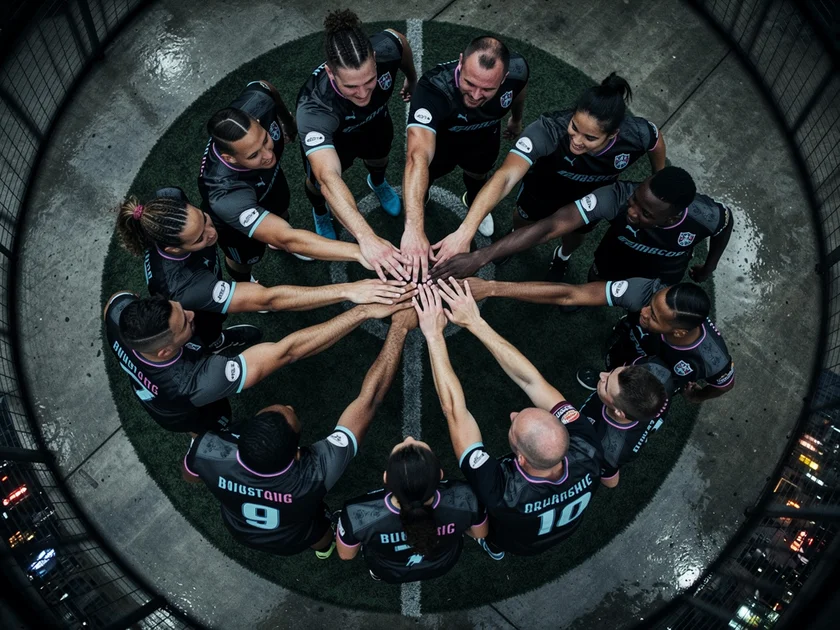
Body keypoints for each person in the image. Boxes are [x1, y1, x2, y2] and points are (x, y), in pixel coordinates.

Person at [183, 308, 415, 558]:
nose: (291, 406)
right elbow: (369, 400)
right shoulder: (316, 474)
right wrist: (399, 328)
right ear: (295, 455)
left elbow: (190, 476)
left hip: (240, 528)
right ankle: (325, 549)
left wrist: (228, 485)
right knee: (319, 531)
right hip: (295, 536)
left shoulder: (208, 451)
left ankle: (323, 548)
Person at [414, 281, 603, 558]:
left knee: (483, 521)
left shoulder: (501, 491)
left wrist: (433, 336)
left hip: (518, 543)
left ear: (521, 460)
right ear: (565, 431)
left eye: (513, 426)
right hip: (563, 526)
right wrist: (475, 322)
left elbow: (454, 410)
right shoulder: (588, 447)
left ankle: (492, 547)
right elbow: (532, 382)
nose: (512, 414)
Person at [431, 73, 666, 277]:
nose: (576, 141)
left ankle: (562, 256)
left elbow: (656, 140)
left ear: (613, 135)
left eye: (590, 138)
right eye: (575, 127)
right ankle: (512, 241)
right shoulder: (548, 130)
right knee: (522, 220)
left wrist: (658, 179)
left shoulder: (636, 135)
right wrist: (465, 231)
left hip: (590, 199)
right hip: (543, 189)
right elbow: (505, 177)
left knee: (575, 235)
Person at [116, 186, 408, 347]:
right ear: (173, 249)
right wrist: (350, 290)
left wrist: (359, 252)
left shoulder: (170, 200)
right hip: (196, 311)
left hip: (204, 275)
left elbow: (286, 239)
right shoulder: (186, 288)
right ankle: (217, 343)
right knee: (206, 331)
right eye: (199, 238)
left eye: (204, 220)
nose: (211, 233)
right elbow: (269, 299)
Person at [103, 291, 410, 433]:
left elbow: (115, 300)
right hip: (181, 411)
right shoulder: (199, 382)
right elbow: (287, 351)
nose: (192, 314)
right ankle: (199, 454)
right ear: (164, 352)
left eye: (181, 308)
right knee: (208, 428)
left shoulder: (120, 311)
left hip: (157, 383)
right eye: (184, 322)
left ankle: (217, 342)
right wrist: (362, 311)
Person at [430, 167, 733, 287]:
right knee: (595, 281)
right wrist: (481, 256)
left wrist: (710, 266)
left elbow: (724, 228)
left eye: (645, 213)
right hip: (614, 258)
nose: (631, 211)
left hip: (664, 274)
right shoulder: (616, 197)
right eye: (635, 199)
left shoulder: (708, 216)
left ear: (671, 218)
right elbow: (550, 227)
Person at [199, 80, 375, 283]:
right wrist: (361, 251)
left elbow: (263, 86)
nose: (269, 155)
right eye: (254, 154)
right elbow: (286, 238)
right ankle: (244, 283)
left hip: (270, 181)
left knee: (281, 208)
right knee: (245, 257)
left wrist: (287, 120)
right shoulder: (222, 193)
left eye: (265, 139)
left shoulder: (258, 100)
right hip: (233, 220)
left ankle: (276, 243)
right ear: (230, 158)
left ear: (257, 121)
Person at [465, 276, 735, 402]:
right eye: (650, 304)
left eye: (653, 315)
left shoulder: (713, 360)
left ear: (678, 332)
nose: (643, 311)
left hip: (645, 384)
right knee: (615, 359)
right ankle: (608, 374)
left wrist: (698, 396)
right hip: (628, 346)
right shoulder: (653, 291)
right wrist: (492, 287)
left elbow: (724, 385)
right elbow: (571, 294)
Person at [296, 10, 417, 282]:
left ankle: (378, 182)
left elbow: (400, 41)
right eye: (351, 86)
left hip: (375, 123)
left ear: (374, 57)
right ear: (330, 72)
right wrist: (366, 236)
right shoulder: (314, 108)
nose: (363, 94)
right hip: (337, 141)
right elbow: (328, 177)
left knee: (380, 158)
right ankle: (320, 212)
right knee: (315, 183)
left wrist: (412, 78)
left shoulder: (387, 49)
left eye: (370, 81)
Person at [400, 36, 529, 282]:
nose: (476, 95)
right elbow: (417, 156)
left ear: (503, 78)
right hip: (442, 146)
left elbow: (519, 90)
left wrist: (516, 118)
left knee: (478, 175)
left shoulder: (518, 71)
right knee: (425, 177)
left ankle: (473, 200)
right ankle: (420, 202)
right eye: (470, 83)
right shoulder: (433, 88)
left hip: (483, 139)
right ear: (461, 62)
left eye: (488, 89)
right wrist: (414, 226)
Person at [335, 436, 487, 582]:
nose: (409, 438)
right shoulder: (467, 498)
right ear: (440, 474)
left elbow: (346, 554)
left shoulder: (356, 514)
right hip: (442, 565)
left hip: (388, 571)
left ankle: (377, 574)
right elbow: (480, 533)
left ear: (386, 478)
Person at [578, 366, 667, 489]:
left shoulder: (609, 450)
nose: (601, 374)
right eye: (611, 372)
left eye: (606, 385)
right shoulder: (658, 387)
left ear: (619, 412)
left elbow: (611, 482)